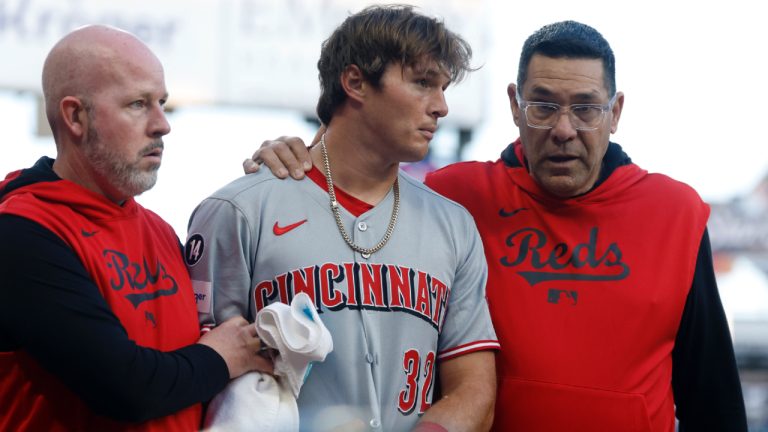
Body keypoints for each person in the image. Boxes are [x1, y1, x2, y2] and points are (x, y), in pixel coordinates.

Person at [247, 20, 748, 431]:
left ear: (614, 113)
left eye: (587, 109)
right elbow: (358, 170)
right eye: (544, 105)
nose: (564, 129)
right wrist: (296, 158)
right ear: (515, 105)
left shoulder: (675, 212)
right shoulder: (453, 197)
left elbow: (713, 399)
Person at [186, 5, 499, 431]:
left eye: (443, 88)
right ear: (354, 82)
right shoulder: (239, 211)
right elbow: (197, 379)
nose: (441, 106)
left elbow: (474, 389)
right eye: (423, 83)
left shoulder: (453, 224)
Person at [0, 25, 272, 432]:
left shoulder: (160, 232)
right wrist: (221, 356)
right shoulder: (21, 232)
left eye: (162, 102)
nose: (163, 125)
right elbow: (123, 387)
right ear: (75, 116)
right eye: (137, 104)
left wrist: (280, 177)